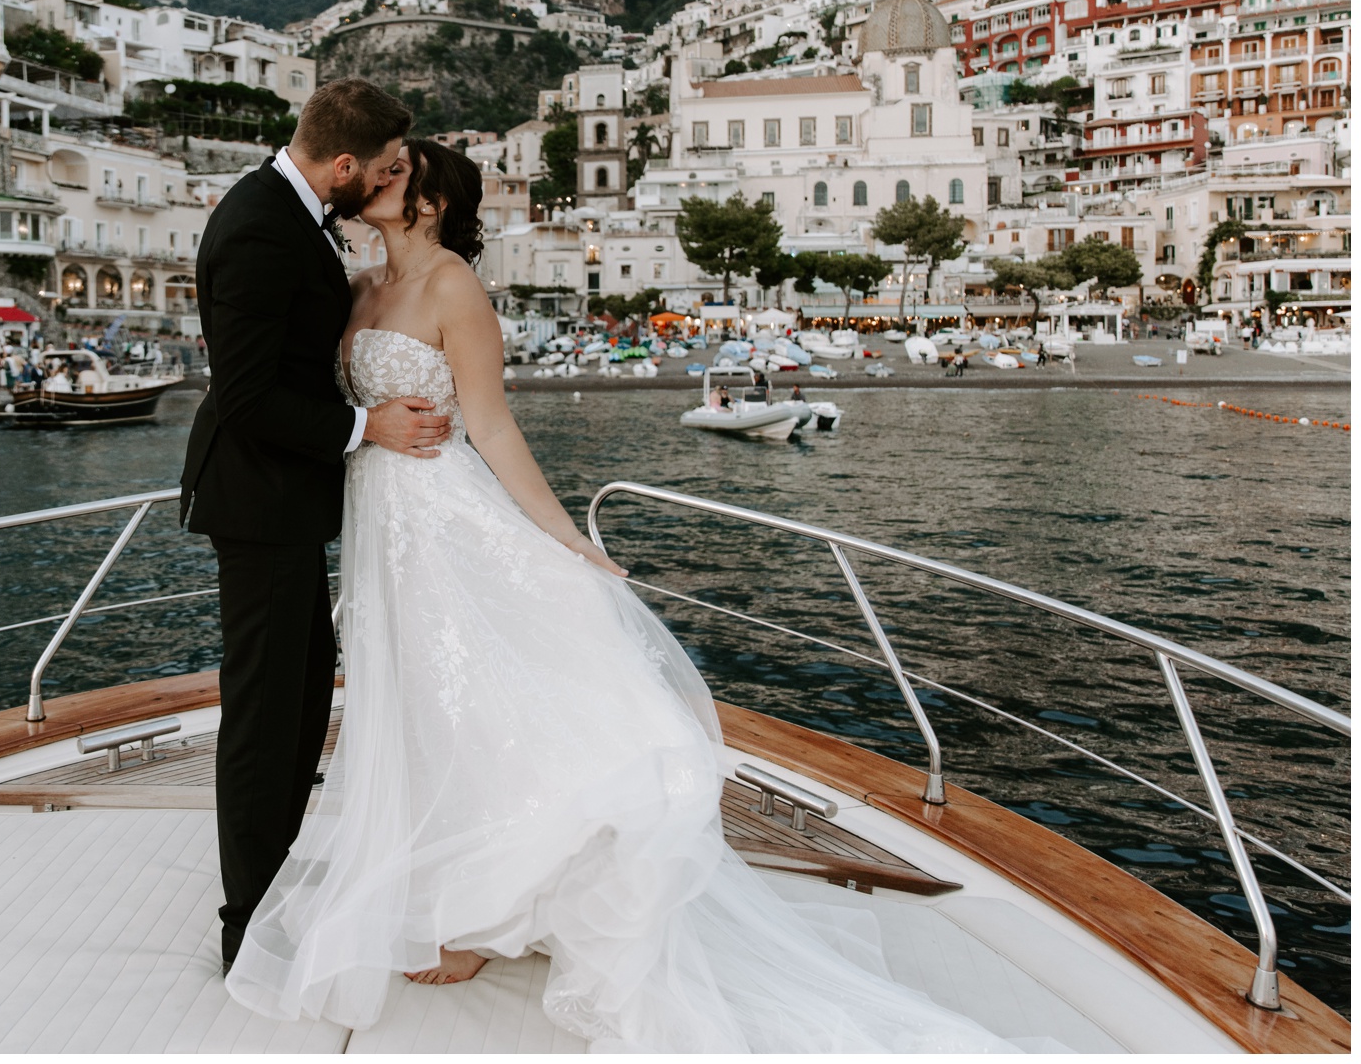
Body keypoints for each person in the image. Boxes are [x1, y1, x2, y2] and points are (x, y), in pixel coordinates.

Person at [224, 140, 1012, 1051]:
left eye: (396, 173)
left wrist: (561, 536)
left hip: (443, 521)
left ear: (432, 202)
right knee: (417, 710)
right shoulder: (358, 289)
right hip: (379, 527)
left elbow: (490, 425)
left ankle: (481, 919)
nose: (375, 180)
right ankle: (450, 888)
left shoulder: (453, 289)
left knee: (471, 709)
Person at [180, 79, 445, 977]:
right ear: (343, 165)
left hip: (284, 499)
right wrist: (368, 426)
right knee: (264, 714)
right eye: (380, 168)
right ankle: (246, 925)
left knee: (297, 705)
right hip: (255, 501)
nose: (385, 181)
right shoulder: (258, 225)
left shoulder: (292, 213)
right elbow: (248, 396)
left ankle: (276, 892)